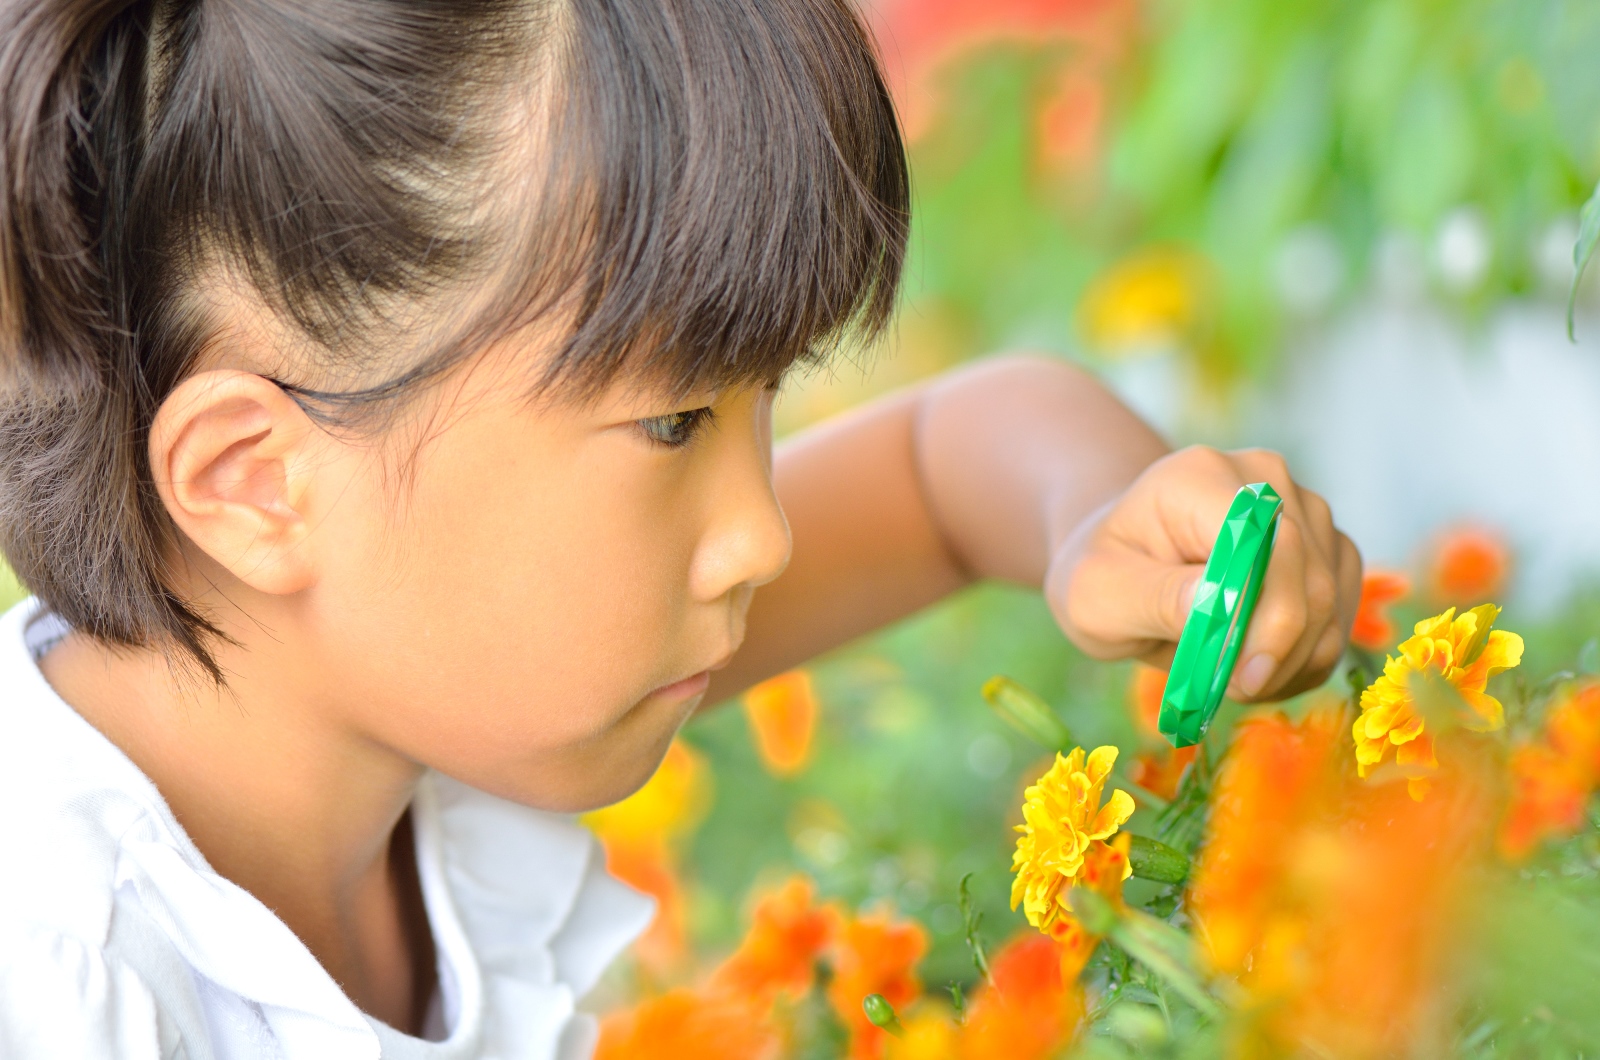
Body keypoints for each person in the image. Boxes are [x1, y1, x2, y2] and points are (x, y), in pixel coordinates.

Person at [0, 0, 1361, 1056]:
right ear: (255, 482)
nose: (761, 538)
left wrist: (1097, 525)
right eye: (673, 426)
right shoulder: (59, 983)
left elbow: (953, 465)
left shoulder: (402, 661)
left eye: (762, 397)